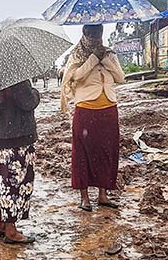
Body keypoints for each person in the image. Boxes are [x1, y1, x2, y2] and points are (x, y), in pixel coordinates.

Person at [60, 24, 125, 211]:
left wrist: (105, 59)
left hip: (109, 108)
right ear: (85, 33)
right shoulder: (77, 55)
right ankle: (85, 198)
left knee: (107, 152)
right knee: (82, 155)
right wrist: (93, 58)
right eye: (92, 33)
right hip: (86, 110)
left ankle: (103, 194)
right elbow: (76, 78)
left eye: (98, 33)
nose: (95, 36)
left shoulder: (109, 54)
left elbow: (120, 77)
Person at [0, 80, 40, 244]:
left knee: (0, 181)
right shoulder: (16, 78)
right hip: (16, 137)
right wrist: (35, 92)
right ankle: (11, 230)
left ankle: (1, 223)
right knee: (15, 183)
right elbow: (28, 102)